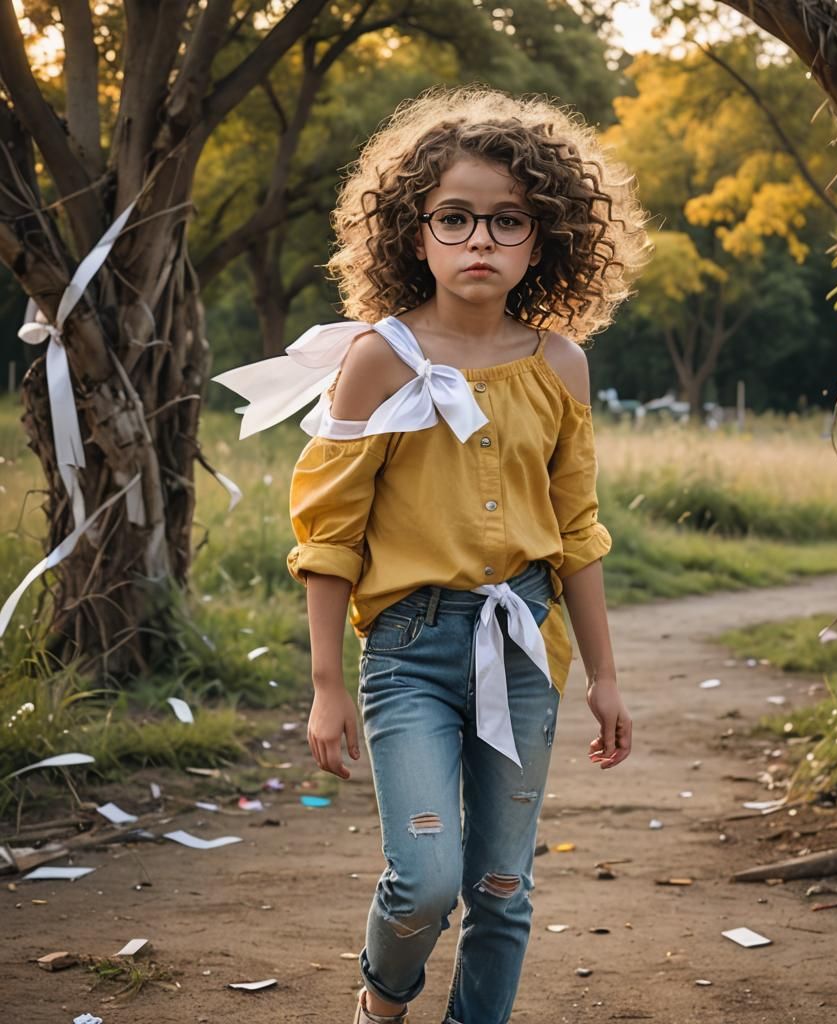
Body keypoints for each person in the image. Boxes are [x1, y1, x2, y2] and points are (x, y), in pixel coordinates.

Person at [213, 84, 651, 1024]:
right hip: (409, 652)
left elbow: (578, 532)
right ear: (415, 234)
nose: (480, 240)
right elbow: (328, 535)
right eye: (455, 219)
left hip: (526, 647)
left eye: (507, 221)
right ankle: (383, 1003)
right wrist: (328, 682)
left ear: (545, 238)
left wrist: (606, 678)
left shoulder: (561, 366)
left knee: (500, 885)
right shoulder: (379, 358)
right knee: (424, 878)